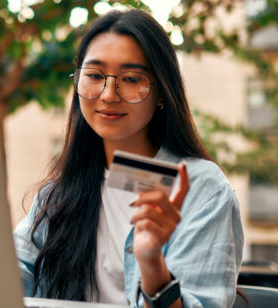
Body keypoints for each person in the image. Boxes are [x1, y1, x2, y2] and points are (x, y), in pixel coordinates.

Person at [13, 8, 244, 308]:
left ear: (162, 92)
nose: (109, 94)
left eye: (132, 79)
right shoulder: (58, 193)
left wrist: (151, 265)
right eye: (94, 76)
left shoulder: (203, 189)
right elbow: (6, 275)